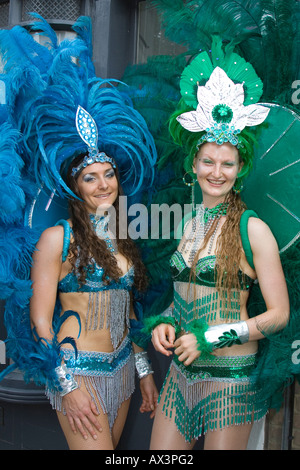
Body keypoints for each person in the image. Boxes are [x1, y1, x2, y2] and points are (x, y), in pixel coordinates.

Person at [145, 46, 290, 450]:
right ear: (194, 164)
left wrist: (213, 337)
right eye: (208, 162)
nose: (217, 173)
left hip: (230, 379)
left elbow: (278, 315)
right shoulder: (188, 224)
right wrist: (165, 323)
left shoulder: (253, 228)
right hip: (181, 374)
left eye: (227, 164)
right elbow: (187, 295)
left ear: (240, 169)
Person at [29, 116, 158, 450]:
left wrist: (144, 372)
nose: (103, 185)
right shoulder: (58, 238)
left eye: (109, 174)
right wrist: (67, 385)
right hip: (79, 370)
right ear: (75, 187)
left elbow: (131, 312)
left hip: (123, 369)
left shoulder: (123, 235)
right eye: (90, 178)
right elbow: (40, 321)